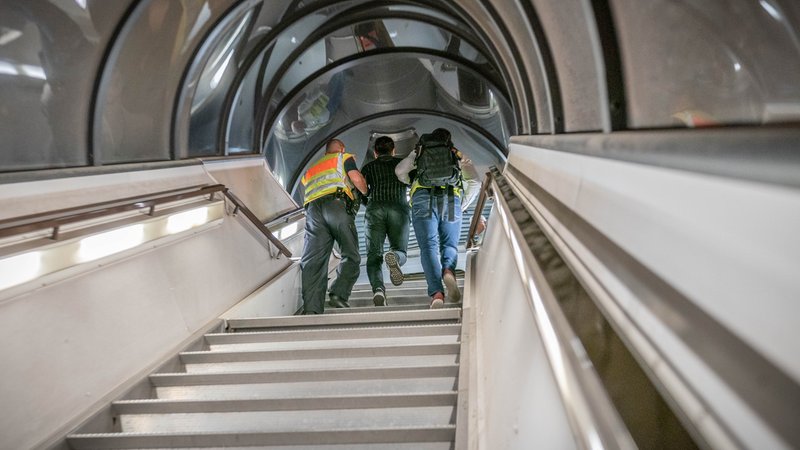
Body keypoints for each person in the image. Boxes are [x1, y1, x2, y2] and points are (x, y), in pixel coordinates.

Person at [395, 128, 480, 308]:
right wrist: (462, 205)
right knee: (449, 245)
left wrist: (409, 180)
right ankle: (448, 270)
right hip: (451, 199)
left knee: (428, 247)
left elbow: (399, 170)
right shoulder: (454, 153)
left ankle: (437, 294)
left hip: (422, 200)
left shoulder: (419, 152)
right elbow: (474, 181)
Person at [299, 139, 368, 314]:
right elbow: (356, 178)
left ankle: (312, 311)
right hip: (336, 206)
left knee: (313, 261)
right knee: (351, 254)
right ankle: (339, 293)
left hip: (313, 211)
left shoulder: (311, 169)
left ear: (325, 152)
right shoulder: (342, 157)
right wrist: (366, 191)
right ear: (341, 148)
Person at [360, 136, 410, 306]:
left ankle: (378, 290)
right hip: (399, 208)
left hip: (375, 210)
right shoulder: (402, 164)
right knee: (401, 250)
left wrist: (370, 203)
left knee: (374, 255)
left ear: (375, 152)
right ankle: (394, 257)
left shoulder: (368, 167)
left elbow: (361, 190)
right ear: (393, 149)